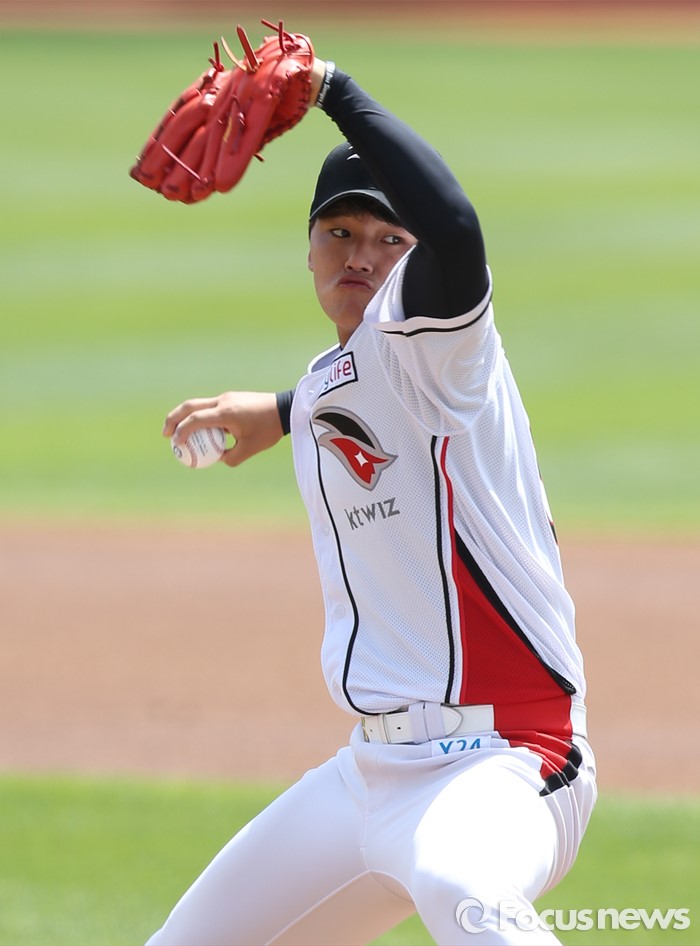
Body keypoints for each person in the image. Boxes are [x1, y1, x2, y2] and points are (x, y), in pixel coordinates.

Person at [150, 53, 597, 946]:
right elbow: (353, 395)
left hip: (506, 757)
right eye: (339, 232)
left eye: (389, 239)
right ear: (309, 248)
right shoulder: (334, 377)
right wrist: (279, 412)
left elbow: (456, 232)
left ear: (417, 260)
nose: (359, 255)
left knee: (463, 889)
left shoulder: (441, 345)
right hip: (368, 776)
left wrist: (335, 93)